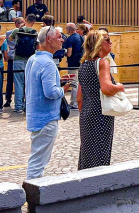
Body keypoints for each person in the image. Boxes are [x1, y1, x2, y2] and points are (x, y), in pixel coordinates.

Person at [25, 26, 72, 180]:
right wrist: (63, 89)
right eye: (59, 37)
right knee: (38, 162)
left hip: (36, 115)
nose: (62, 40)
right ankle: (33, 194)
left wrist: (58, 81)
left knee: (37, 158)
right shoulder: (47, 63)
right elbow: (51, 92)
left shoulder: (33, 59)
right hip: (46, 117)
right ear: (49, 39)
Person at [77, 28, 125, 169]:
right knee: (101, 152)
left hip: (86, 112)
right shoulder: (102, 63)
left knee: (87, 152)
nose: (111, 43)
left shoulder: (84, 64)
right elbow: (107, 88)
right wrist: (119, 87)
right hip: (101, 113)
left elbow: (79, 97)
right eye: (107, 40)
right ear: (99, 44)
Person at [11, 14, 40, 113]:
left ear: (25, 19)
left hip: (18, 59)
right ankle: (28, 106)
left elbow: (10, 39)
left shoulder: (18, 30)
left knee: (19, 83)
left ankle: (18, 106)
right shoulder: (35, 32)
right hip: (30, 60)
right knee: (29, 84)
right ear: (34, 22)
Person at [3, 17, 24, 108]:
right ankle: (9, 99)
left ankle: (15, 99)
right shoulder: (9, 33)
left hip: (17, 57)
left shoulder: (24, 32)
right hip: (14, 58)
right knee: (11, 80)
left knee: (17, 80)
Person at [64, 22, 84, 108]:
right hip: (80, 62)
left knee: (73, 83)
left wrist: (63, 52)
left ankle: (74, 103)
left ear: (69, 29)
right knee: (79, 82)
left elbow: (69, 53)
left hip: (72, 63)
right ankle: (77, 101)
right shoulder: (81, 37)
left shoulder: (70, 39)